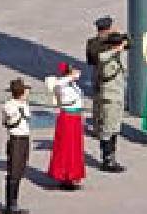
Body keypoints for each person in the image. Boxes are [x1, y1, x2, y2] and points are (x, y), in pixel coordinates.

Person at [87, 15, 130, 171]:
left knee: (114, 126)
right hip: (107, 91)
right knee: (107, 127)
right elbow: (95, 57)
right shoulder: (96, 45)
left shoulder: (113, 48)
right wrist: (111, 47)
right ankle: (107, 159)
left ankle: (111, 156)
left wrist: (117, 40)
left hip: (116, 93)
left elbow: (129, 42)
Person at [45, 62, 88, 189]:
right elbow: (57, 84)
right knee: (66, 147)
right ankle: (64, 176)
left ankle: (72, 176)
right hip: (67, 117)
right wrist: (71, 77)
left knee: (74, 147)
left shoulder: (71, 84)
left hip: (75, 117)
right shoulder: (60, 84)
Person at [1, 78, 33, 214]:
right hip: (16, 139)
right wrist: (20, 106)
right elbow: (11, 119)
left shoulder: (23, 104)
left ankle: (14, 201)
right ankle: (11, 204)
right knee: (13, 172)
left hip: (24, 138)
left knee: (20, 170)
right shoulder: (10, 106)